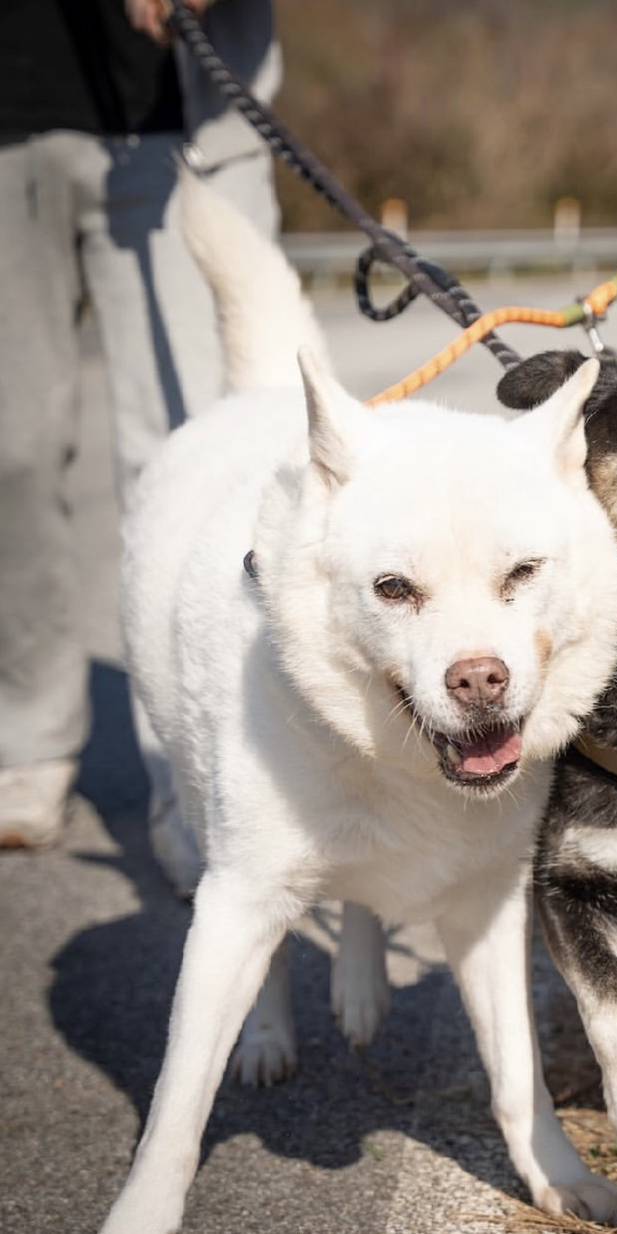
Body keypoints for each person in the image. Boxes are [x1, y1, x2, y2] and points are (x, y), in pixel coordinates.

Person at [0, 0, 280, 847]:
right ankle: (28, 739)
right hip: (12, 124)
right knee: (11, 452)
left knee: (190, 458)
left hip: (176, 119)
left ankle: (197, 775)